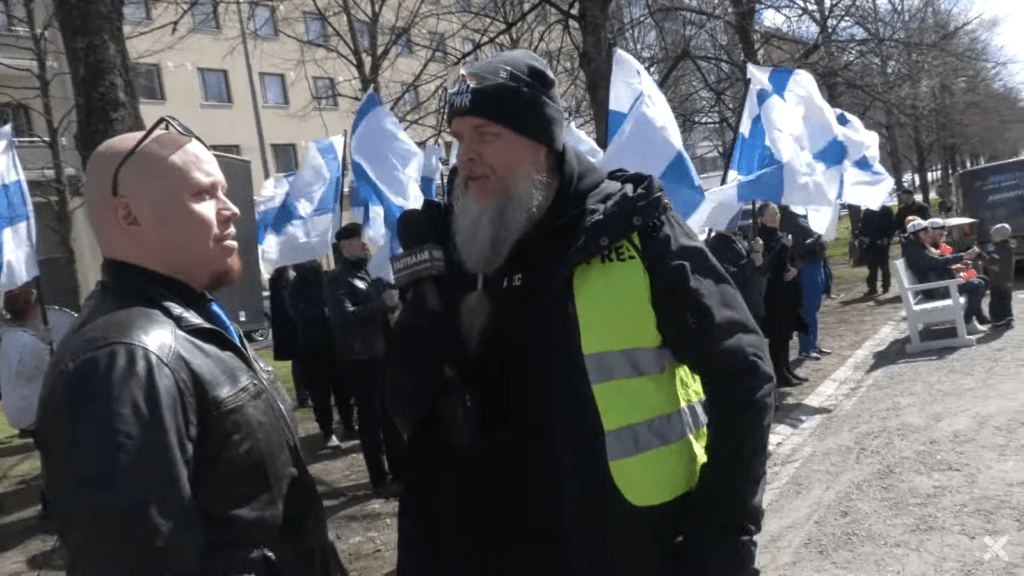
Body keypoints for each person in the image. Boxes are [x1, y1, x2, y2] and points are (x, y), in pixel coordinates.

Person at [387, 49, 774, 576]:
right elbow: (410, 414)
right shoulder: (456, 254)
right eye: (459, 139)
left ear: (542, 143)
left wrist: (722, 536)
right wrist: (420, 302)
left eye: (486, 134)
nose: (466, 156)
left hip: (631, 549)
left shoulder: (633, 228)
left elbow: (744, 376)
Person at [34, 120, 346, 575]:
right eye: (203, 194)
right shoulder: (124, 358)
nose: (231, 210)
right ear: (129, 215)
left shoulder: (191, 322)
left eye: (224, 192)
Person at [325, 223, 405, 498]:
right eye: (361, 240)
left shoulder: (367, 273)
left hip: (379, 353)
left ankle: (400, 472)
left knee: (390, 416)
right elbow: (344, 316)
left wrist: (390, 310)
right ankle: (379, 479)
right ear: (345, 247)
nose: (366, 244)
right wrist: (381, 304)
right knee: (371, 420)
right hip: (361, 358)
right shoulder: (338, 278)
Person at [288, 259, 354, 449]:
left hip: (334, 341)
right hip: (312, 345)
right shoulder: (296, 286)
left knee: (342, 388)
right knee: (320, 392)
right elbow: (297, 313)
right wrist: (322, 312)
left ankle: (348, 425)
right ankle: (328, 431)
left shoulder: (327, 278)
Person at [756, 202, 809, 392]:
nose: (775, 218)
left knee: (786, 334)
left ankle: (787, 370)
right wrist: (785, 248)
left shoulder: (781, 235)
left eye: (777, 214)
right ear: (762, 219)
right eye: (771, 215)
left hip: (787, 291)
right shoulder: (761, 239)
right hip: (773, 294)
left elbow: (792, 258)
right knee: (777, 336)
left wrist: (795, 269)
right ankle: (780, 374)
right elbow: (770, 264)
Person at [903, 219, 986, 335]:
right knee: (977, 285)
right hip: (936, 289)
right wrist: (962, 257)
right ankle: (968, 322)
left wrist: (957, 264)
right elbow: (936, 262)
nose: (930, 234)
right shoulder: (915, 251)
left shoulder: (917, 247)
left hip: (938, 284)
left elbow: (937, 263)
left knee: (981, 280)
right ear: (919, 235)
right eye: (927, 232)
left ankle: (975, 316)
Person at [779, 205, 831, 360]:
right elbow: (797, 247)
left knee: (815, 308)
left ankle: (812, 344)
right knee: (808, 309)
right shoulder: (790, 217)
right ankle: (806, 347)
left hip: (816, 263)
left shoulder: (806, 212)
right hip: (806, 266)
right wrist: (818, 239)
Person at [0, 285, 51, 436]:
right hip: (36, 417)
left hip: (16, 415)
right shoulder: (30, 343)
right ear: (32, 309)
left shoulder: (8, 337)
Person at [269, 265, 312, 408]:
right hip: (294, 328)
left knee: (298, 362)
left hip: (286, 329)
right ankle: (304, 396)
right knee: (301, 362)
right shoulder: (288, 283)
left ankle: (303, 396)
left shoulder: (276, 282)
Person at [858, 205, 897, 296]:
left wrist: (887, 237)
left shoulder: (886, 210)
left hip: (883, 242)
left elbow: (893, 225)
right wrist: (864, 237)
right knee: (872, 267)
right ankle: (872, 288)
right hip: (870, 243)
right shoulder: (868, 211)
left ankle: (885, 286)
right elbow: (863, 226)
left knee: (884, 266)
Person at [982, 223, 1014, 330]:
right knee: (1006, 300)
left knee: (997, 301)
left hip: (997, 281)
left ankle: (999, 322)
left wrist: (980, 256)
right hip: (1008, 280)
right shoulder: (1009, 247)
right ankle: (1008, 318)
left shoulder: (997, 250)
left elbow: (992, 264)